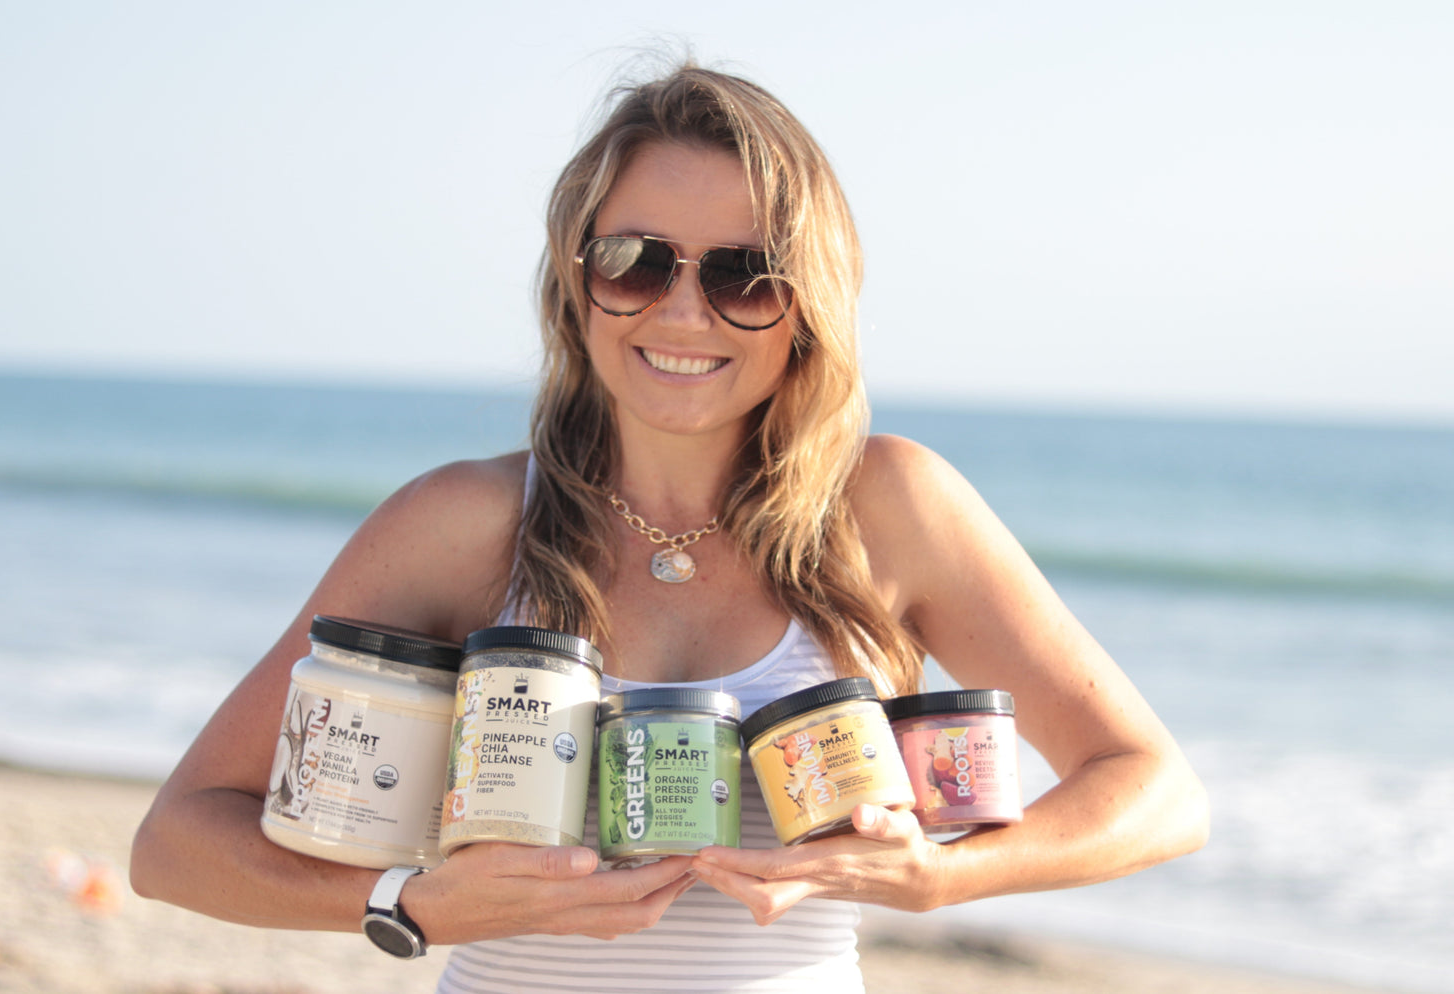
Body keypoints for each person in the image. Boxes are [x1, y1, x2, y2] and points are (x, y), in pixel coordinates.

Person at [130, 62, 1209, 993]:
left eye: (746, 275)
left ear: (808, 305)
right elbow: (177, 840)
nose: (684, 312)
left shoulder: (888, 507)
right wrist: (408, 902)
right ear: (575, 276)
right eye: (638, 259)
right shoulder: (462, 523)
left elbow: (1154, 790)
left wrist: (940, 876)